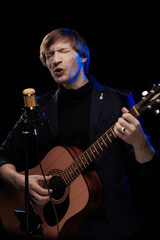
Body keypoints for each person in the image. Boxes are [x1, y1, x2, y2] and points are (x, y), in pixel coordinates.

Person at [0, 28, 159, 240]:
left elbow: (149, 172)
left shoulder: (117, 101)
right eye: (49, 55)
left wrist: (140, 142)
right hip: (53, 223)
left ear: (84, 57)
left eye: (63, 51)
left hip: (109, 221)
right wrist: (19, 181)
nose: (54, 60)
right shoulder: (39, 107)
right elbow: (4, 156)